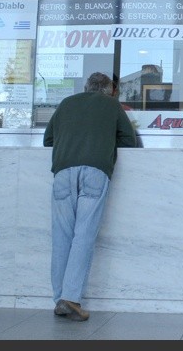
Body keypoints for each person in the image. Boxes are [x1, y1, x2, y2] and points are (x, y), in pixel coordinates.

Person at [43, 72, 138, 321]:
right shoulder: (112, 106)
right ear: (110, 91)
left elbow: (48, 139)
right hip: (95, 171)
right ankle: (71, 299)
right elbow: (130, 141)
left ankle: (59, 298)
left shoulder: (66, 104)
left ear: (86, 88)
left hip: (63, 172)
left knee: (61, 236)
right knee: (83, 234)